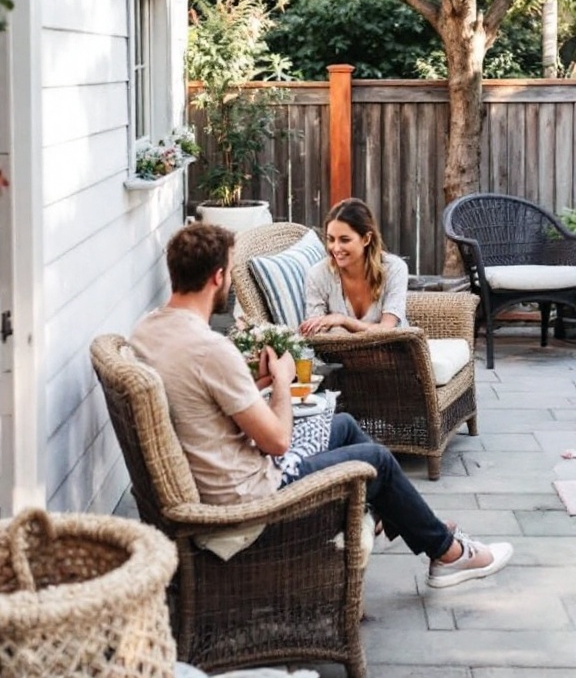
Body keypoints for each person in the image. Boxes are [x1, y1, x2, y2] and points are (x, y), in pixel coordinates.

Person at [131, 222, 513, 589]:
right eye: (229, 272)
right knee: (375, 459)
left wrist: (258, 382)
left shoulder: (148, 330)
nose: (229, 282)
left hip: (220, 470)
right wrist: (281, 379)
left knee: (344, 424)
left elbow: (203, 398)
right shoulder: (210, 349)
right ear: (217, 277)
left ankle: (391, 514)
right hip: (250, 500)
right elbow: (278, 442)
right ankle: (449, 553)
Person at [300, 197, 408, 336]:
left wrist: (344, 321)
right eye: (331, 239)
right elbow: (315, 333)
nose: (336, 248)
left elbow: (387, 329)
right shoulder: (318, 275)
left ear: (366, 239)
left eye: (344, 240)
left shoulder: (394, 269)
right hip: (339, 356)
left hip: (390, 353)